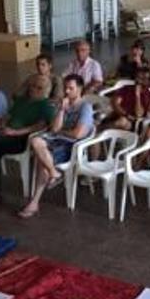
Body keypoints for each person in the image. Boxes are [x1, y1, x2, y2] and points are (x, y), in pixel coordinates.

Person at [0, 74, 56, 205]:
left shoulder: (46, 105)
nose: (34, 89)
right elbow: (8, 116)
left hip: (22, 140)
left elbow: (41, 126)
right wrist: (4, 125)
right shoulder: (22, 100)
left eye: (39, 87)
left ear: (46, 90)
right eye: (32, 86)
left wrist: (15, 132)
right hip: (6, 136)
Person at [18, 74, 94, 218]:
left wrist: (62, 132)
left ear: (79, 89)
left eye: (70, 88)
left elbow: (78, 134)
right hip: (55, 140)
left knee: (42, 161)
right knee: (35, 141)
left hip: (70, 147)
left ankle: (34, 203)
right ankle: (54, 173)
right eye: (65, 88)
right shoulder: (63, 105)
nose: (66, 92)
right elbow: (54, 129)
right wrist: (61, 110)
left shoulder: (85, 107)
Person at [100, 66, 150, 132]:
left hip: (132, 123)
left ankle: (99, 130)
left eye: (143, 78)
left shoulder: (147, 94)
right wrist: (125, 114)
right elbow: (115, 102)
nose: (139, 81)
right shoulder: (127, 88)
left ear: (148, 81)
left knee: (122, 121)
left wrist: (137, 96)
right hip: (120, 115)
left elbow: (139, 114)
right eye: (138, 77)